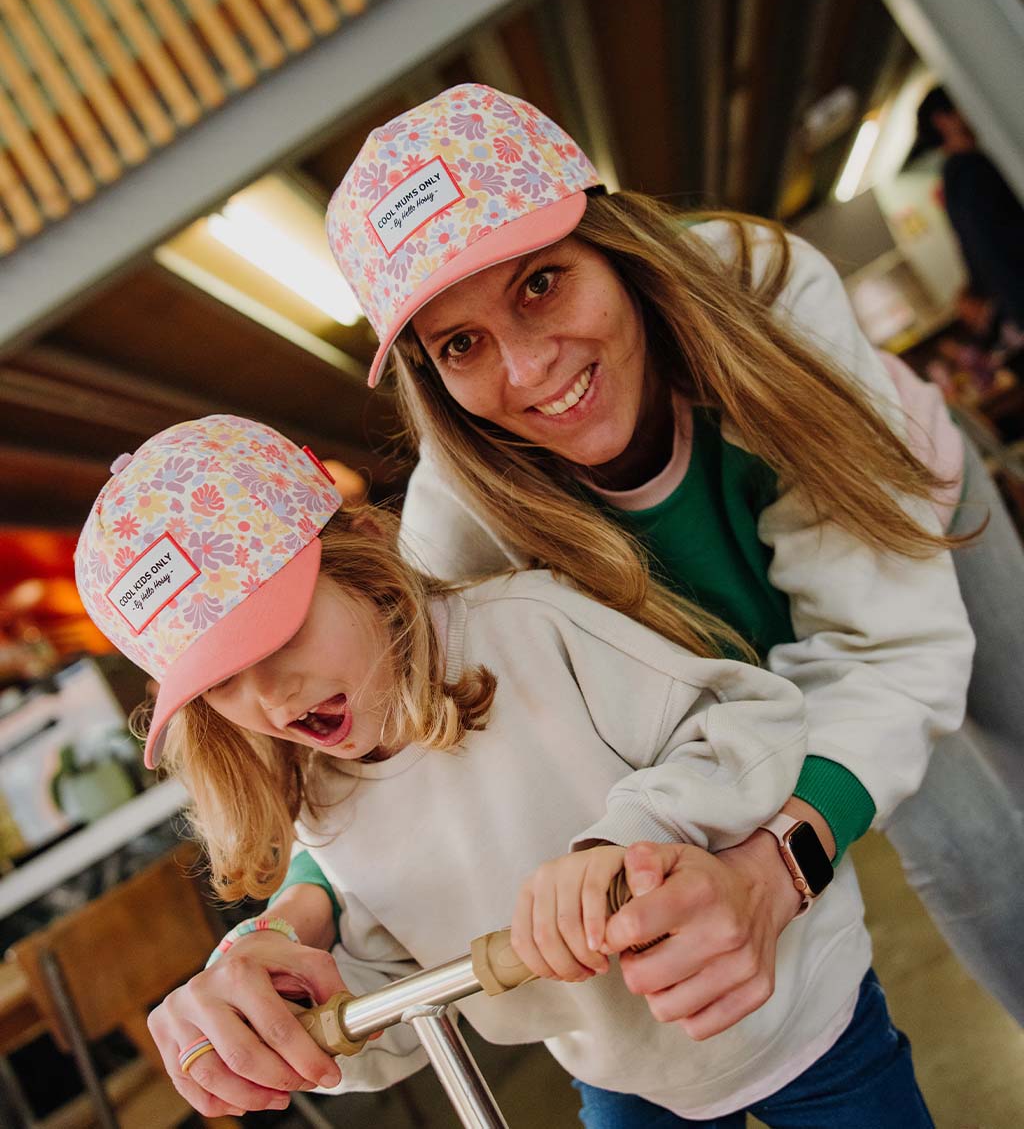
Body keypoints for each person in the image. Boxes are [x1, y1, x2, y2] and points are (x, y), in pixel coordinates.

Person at [75, 413, 938, 1128]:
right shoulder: (321, 802)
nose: (270, 696)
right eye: (222, 680)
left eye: (283, 632)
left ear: (367, 558)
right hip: (624, 1070)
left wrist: (631, 836)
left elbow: (748, 722)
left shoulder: (532, 627)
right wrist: (311, 1022)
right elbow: (402, 1000)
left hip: (795, 1012)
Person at [912, 85, 1024, 357]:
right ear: (943, 120)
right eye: (961, 106)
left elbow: (977, 258)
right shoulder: (970, 171)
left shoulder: (954, 183)